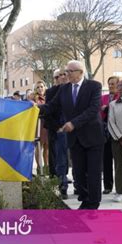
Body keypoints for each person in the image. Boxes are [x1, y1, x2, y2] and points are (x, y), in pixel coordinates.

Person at [40, 60, 105, 209]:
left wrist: (73, 123)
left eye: (70, 71)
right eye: (65, 72)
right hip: (75, 138)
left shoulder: (94, 86)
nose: (66, 75)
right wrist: (35, 108)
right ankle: (85, 198)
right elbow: (51, 106)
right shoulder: (64, 89)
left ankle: (93, 203)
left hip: (93, 136)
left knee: (93, 172)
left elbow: (93, 109)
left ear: (80, 72)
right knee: (79, 173)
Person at [45, 69, 70, 199]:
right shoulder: (51, 92)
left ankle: (79, 186)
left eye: (64, 74)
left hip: (75, 128)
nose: (62, 77)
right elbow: (48, 111)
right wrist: (57, 128)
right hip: (59, 130)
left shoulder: (75, 89)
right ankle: (63, 185)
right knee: (60, 158)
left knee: (75, 159)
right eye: (58, 76)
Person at [100, 76, 119, 194]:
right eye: (109, 84)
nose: (111, 86)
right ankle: (108, 186)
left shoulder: (120, 98)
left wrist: (107, 108)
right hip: (105, 133)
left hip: (117, 133)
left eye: (113, 84)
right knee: (106, 161)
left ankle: (120, 187)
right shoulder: (103, 97)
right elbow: (98, 111)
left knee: (118, 162)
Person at [32, 81, 48, 174]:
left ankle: (47, 167)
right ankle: (39, 167)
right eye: (38, 87)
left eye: (42, 86)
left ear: (45, 87)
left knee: (47, 148)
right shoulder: (34, 98)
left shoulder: (49, 97)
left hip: (47, 124)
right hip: (38, 125)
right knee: (39, 147)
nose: (40, 89)